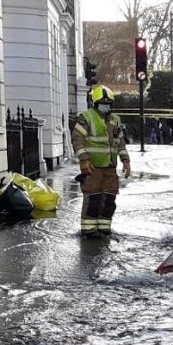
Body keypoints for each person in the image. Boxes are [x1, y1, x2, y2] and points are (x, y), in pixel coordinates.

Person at [72, 85, 131, 236]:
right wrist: (84, 160)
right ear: (95, 103)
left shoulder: (115, 120)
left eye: (108, 103)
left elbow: (120, 142)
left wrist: (125, 160)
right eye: (102, 104)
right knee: (93, 198)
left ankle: (104, 227)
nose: (106, 106)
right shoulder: (87, 117)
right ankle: (89, 229)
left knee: (109, 199)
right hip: (93, 167)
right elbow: (78, 140)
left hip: (110, 167)